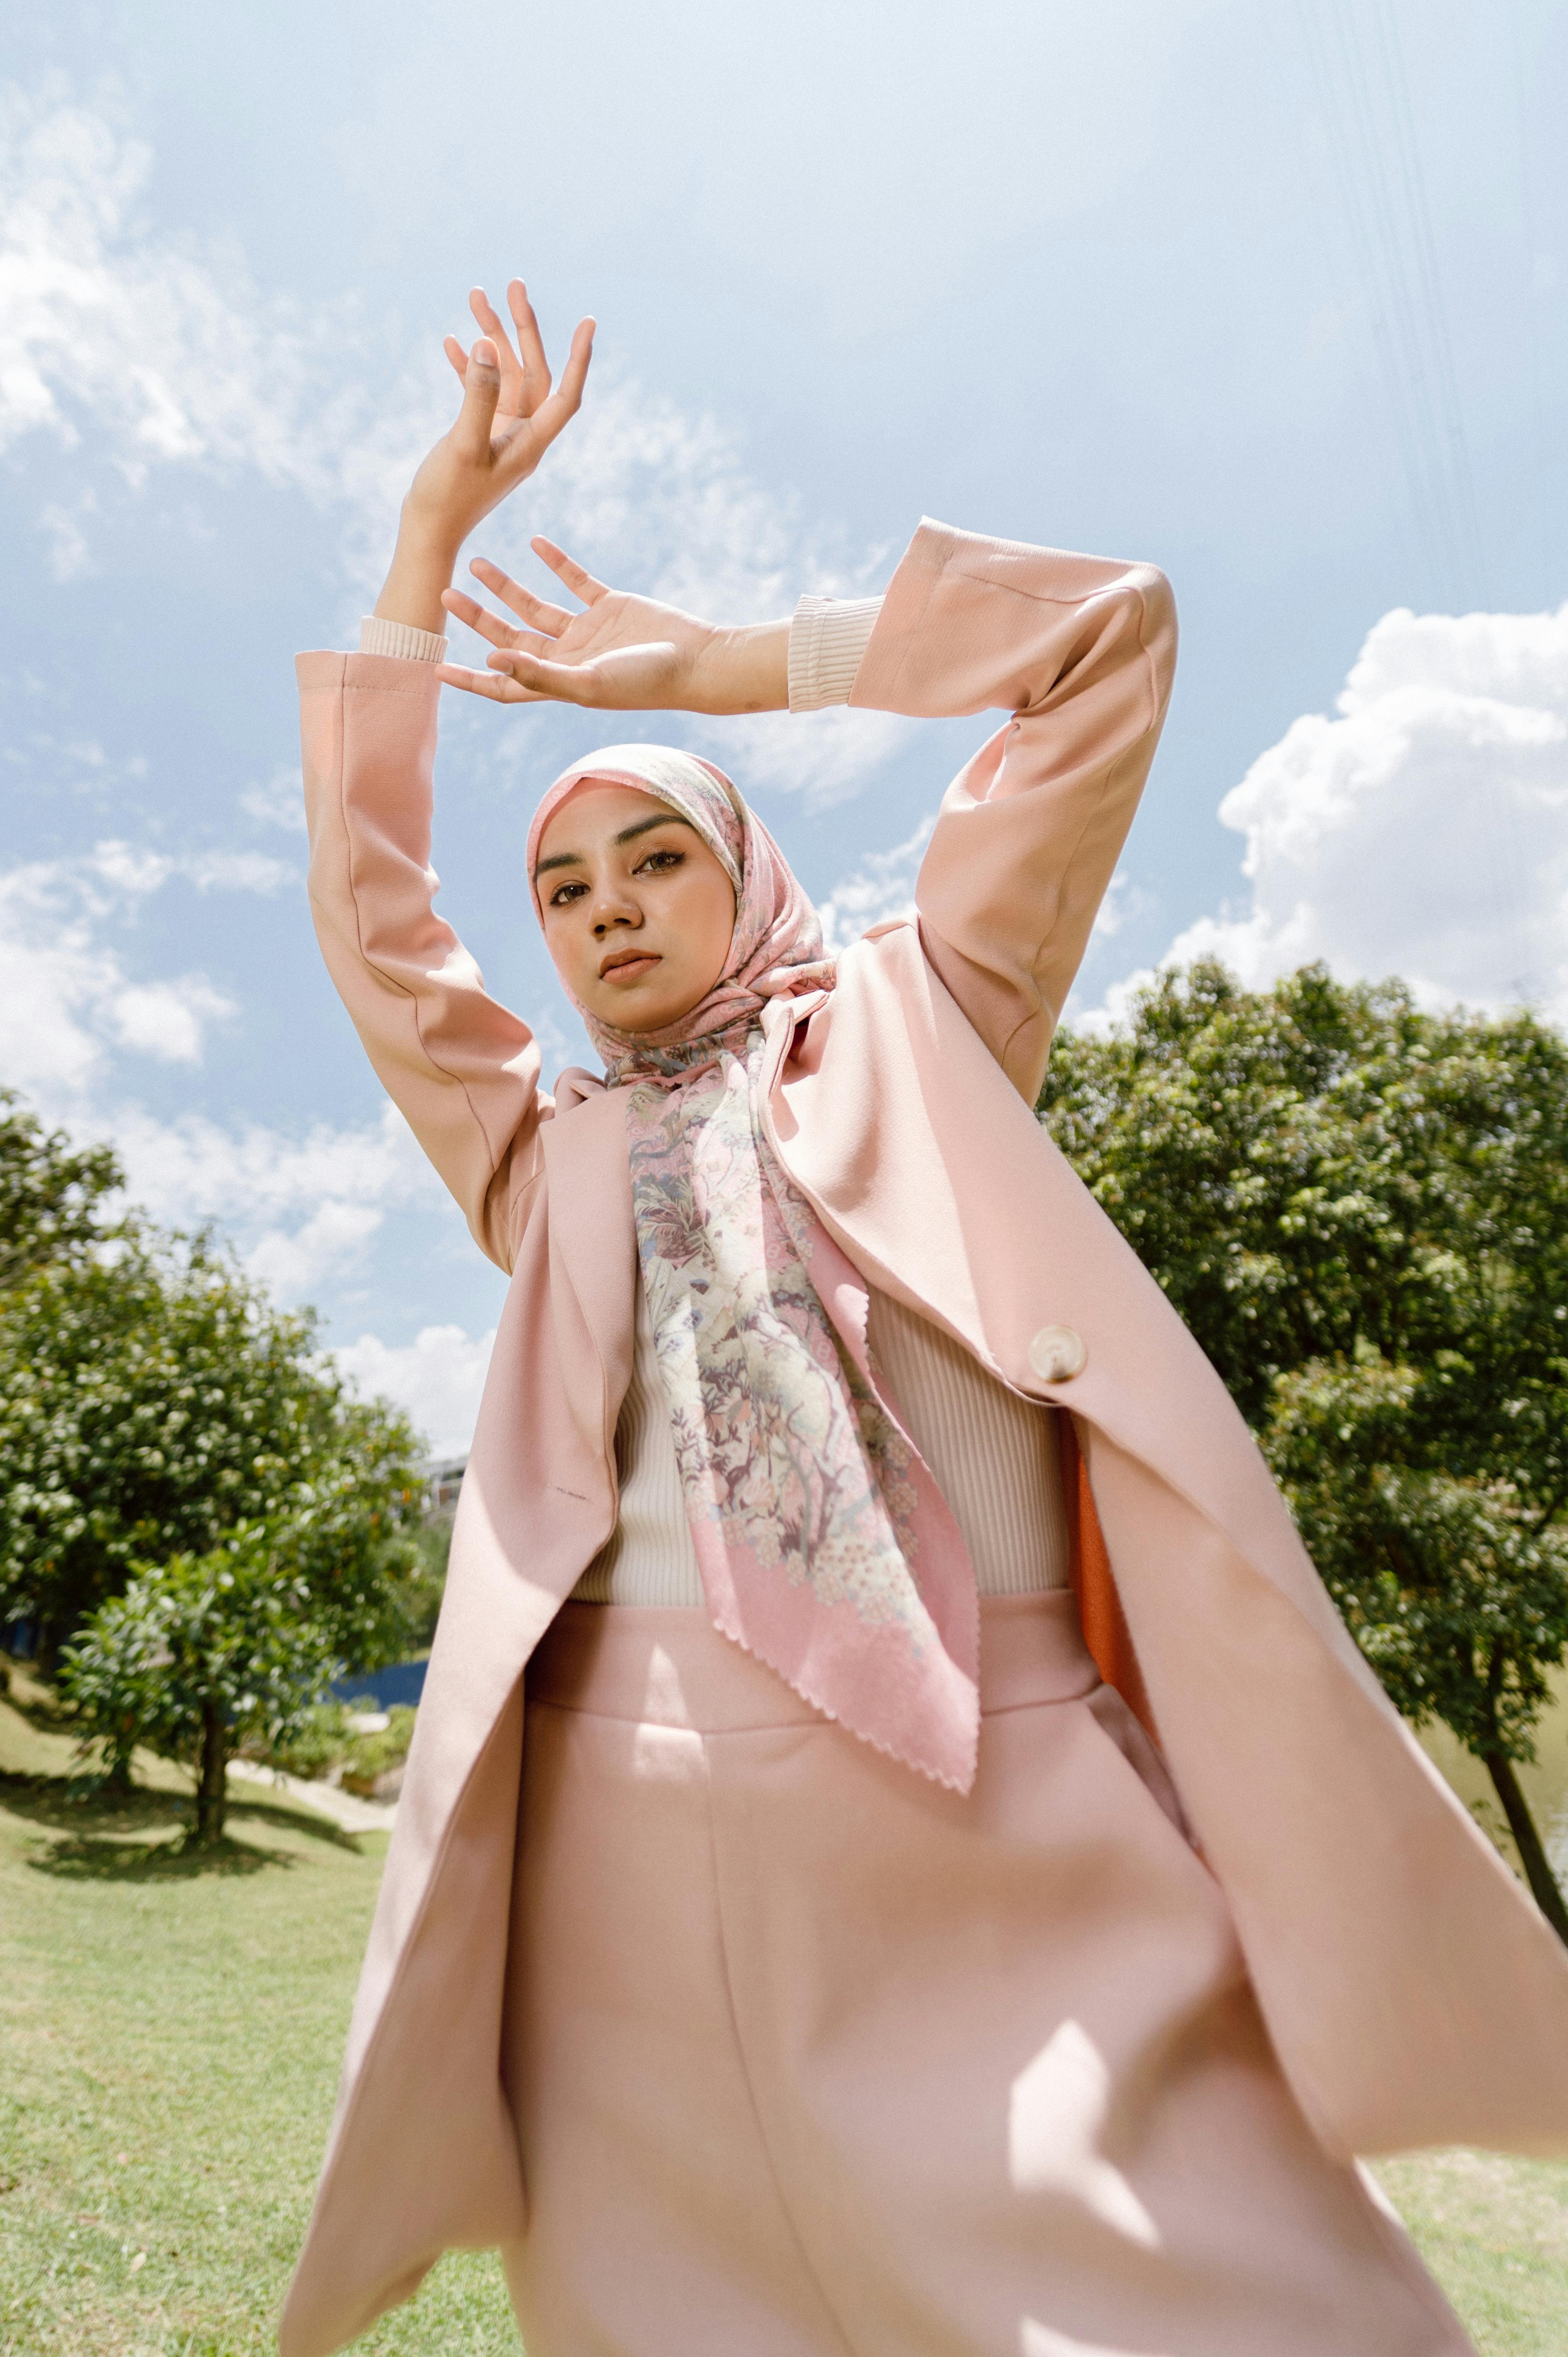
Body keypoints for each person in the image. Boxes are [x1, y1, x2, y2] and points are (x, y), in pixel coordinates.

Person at [280, 285, 1568, 2357]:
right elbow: (367, 912)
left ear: (744, 868)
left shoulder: (917, 1012)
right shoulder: (543, 1153)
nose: (606, 905)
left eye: (652, 853)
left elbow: (1104, 640)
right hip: (617, 1848)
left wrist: (721, 665)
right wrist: (427, 548)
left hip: (1004, 1801)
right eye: (563, 888)